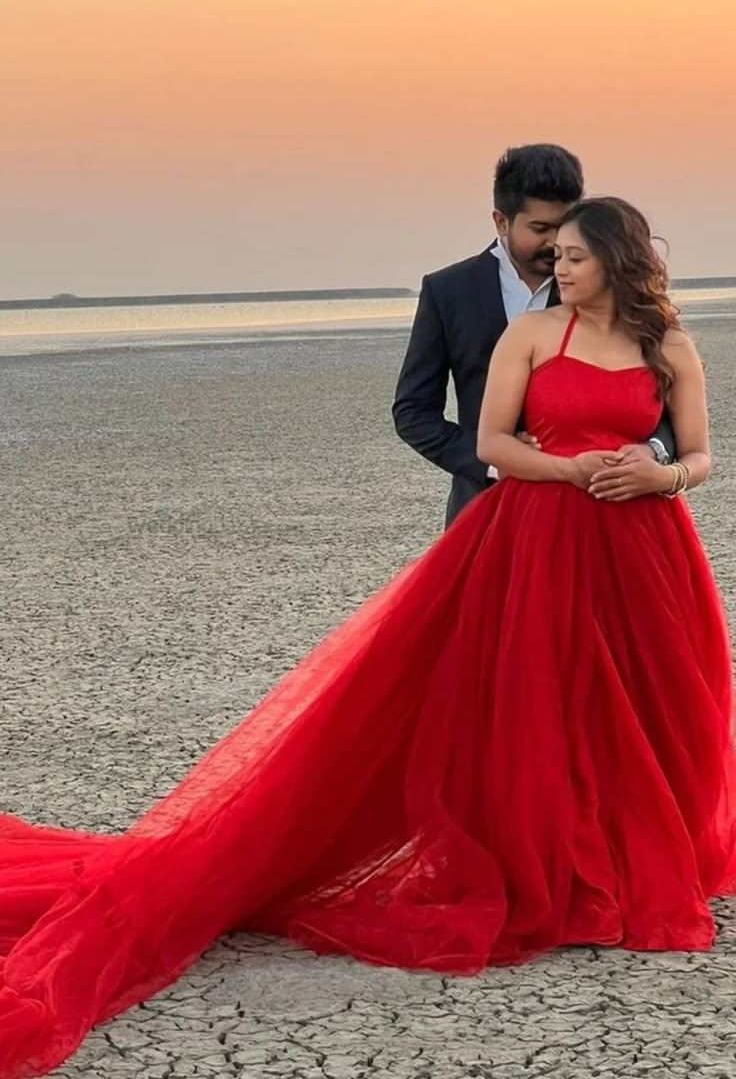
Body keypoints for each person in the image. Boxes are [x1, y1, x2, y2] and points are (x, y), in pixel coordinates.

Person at [1, 197, 735, 1079]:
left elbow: (699, 456)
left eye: (575, 256)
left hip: (644, 551)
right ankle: (559, 873)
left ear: (617, 259)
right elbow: (495, 444)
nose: (558, 268)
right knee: (538, 706)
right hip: (536, 539)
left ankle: (632, 862)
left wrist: (659, 473)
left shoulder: (670, 348)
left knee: (651, 712)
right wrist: (572, 469)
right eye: (555, 254)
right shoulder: (534, 337)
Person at [393, 145, 676, 526]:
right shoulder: (448, 291)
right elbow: (413, 412)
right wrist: (495, 463)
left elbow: (656, 394)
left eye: (564, 226)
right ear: (501, 222)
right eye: (540, 229)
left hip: (600, 508)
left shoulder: (601, 292)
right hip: (484, 508)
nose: (554, 242)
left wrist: (655, 452)